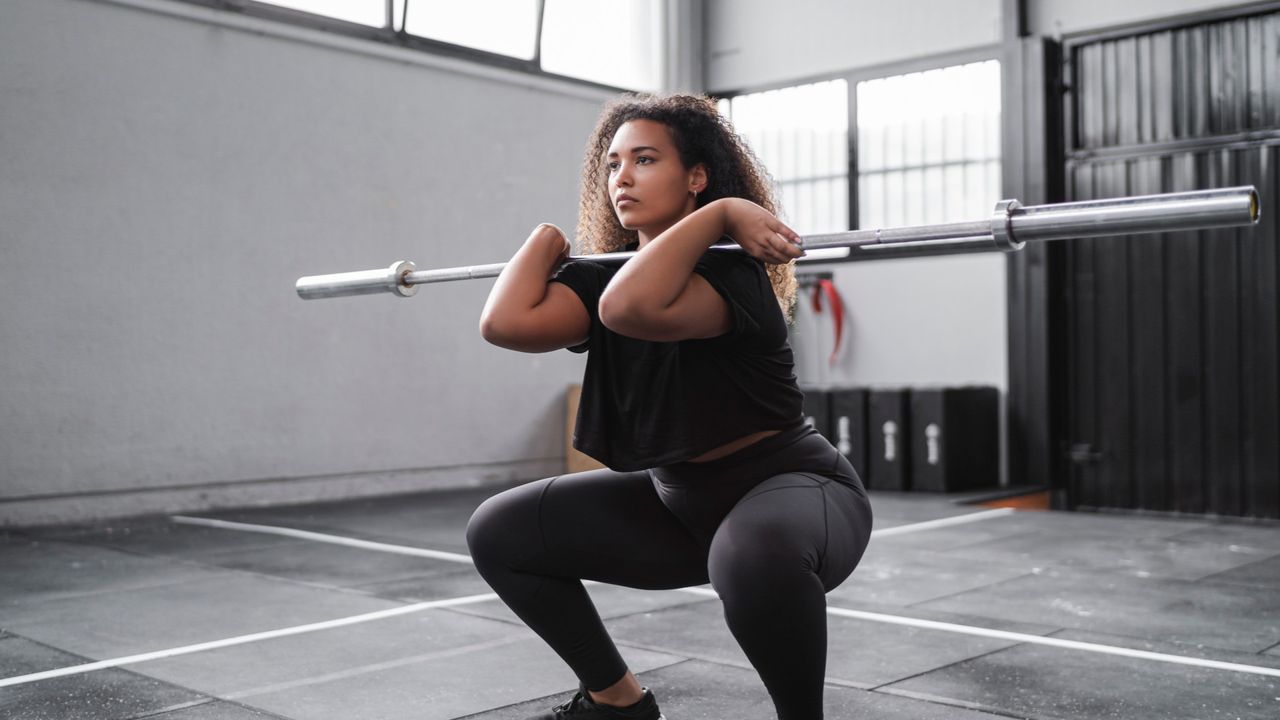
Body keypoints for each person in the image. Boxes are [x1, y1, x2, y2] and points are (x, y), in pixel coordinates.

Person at [466, 93, 873, 720]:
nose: (620, 177)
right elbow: (507, 323)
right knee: (501, 531)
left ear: (697, 178)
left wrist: (724, 218)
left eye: (645, 160)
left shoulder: (730, 275)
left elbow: (630, 309)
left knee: (752, 554)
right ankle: (615, 702)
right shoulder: (609, 276)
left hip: (795, 493)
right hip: (679, 508)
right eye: (611, 164)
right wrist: (543, 241)